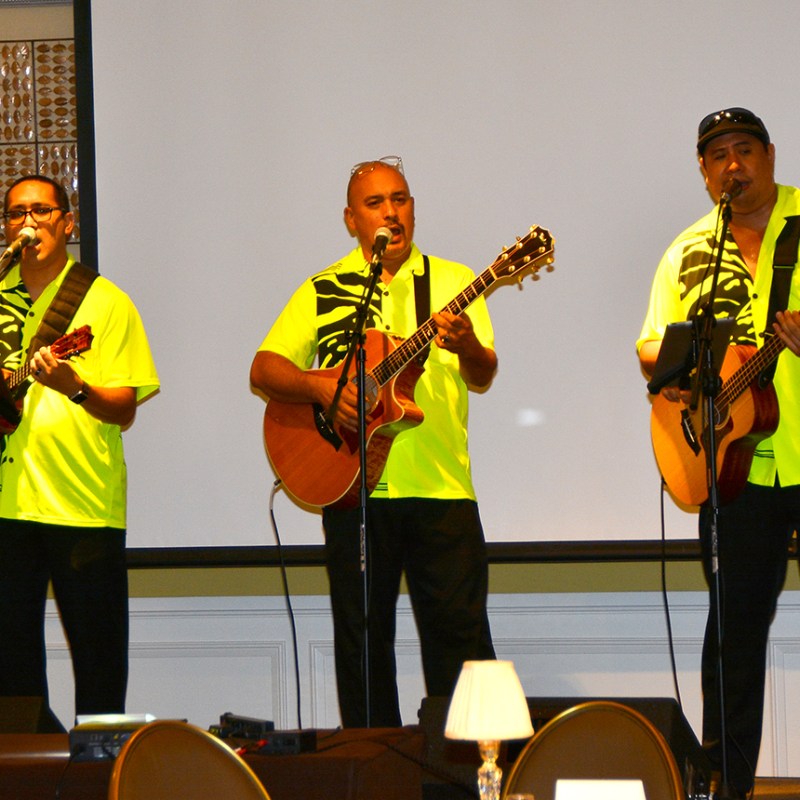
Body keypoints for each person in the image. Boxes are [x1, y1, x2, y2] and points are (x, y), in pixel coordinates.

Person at [250, 156, 496, 727]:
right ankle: (374, 775)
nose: (392, 211)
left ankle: (465, 779)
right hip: (353, 488)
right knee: (363, 649)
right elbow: (264, 369)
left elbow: (482, 374)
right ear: (350, 219)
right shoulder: (325, 287)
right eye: (376, 203)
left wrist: (465, 348)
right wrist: (323, 386)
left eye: (401, 199)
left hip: (442, 490)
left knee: (459, 648)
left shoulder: (456, 283)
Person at [637, 109, 800, 797]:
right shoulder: (687, 252)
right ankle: (726, 787)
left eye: (744, 151)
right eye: (717, 157)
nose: (733, 166)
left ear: (769, 154)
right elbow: (651, 350)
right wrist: (696, 377)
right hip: (736, 468)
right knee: (733, 642)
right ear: (704, 173)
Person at [0, 175, 159, 719]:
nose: (28, 221)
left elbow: (125, 407)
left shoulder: (105, 302)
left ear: (67, 223)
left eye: (42, 211)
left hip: (83, 507)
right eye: (17, 212)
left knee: (98, 669)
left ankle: (97, 781)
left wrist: (77, 386)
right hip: (5, 509)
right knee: (11, 683)